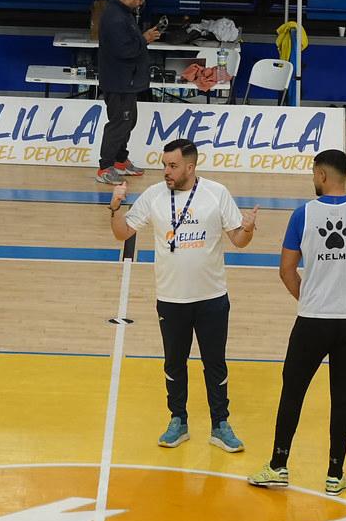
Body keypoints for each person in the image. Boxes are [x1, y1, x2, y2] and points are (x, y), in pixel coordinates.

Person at [247, 149, 346, 496]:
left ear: (322, 176)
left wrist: (310, 298)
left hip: (312, 321)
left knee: (293, 392)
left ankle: (278, 465)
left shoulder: (302, 215)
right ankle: (334, 474)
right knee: (343, 396)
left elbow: (286, 270)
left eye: (314, 173)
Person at [108, 139, 258, 452]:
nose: (167, 171)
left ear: (190, 166)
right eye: (164, 165)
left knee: (215, 363)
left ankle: (220, 424)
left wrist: (248, 228)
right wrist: (115, 208)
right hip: (171, 298)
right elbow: (123, 233)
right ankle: (178, 420)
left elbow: (239, 241)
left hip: (212, 297)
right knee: (174, 363)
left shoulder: (216, 193)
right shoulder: (154, 196)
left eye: (173, 166)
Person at [95, 0, 161, 185]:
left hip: (127, 81)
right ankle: (105, 167)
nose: (141, 2)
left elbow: (129, 43)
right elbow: (124, 50)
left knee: (128, 120)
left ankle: (120, 161)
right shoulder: (115, 17)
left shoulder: (123, 14)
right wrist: (145, 39)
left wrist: (142, 38)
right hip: (118, 81)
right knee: (119, 123)